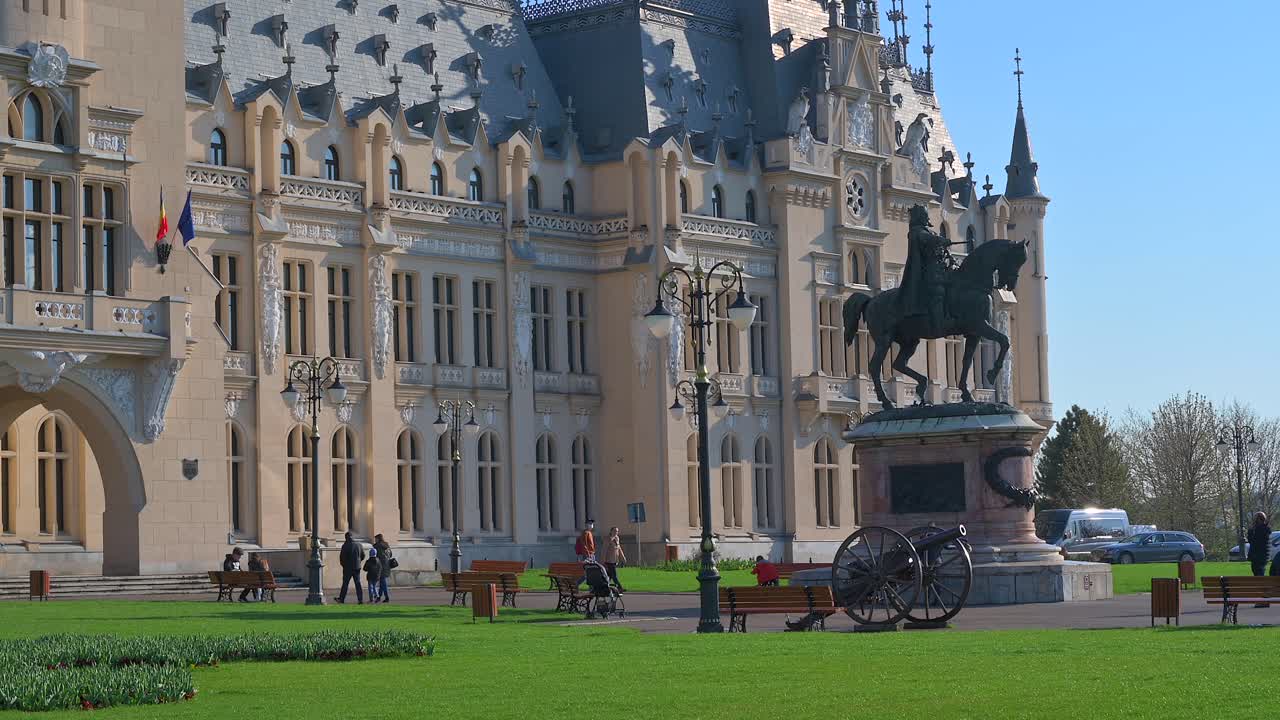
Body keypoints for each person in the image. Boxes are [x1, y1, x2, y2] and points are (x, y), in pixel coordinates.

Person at [1247, 512, 1272, 608]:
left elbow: (1253, 540)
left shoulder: (1261, 529)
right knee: (1258, 576)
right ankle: (1262, 598)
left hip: (1259, 557)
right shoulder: (1265, 529)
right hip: (1260, 556)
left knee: (1259, 577)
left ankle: (1263, 599)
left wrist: (1251, 530)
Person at [337, 531, 366, 605]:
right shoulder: (359, 545)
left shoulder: (345, 545)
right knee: (358, 583)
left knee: (345, 584)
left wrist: (344, 565)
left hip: (347, 568)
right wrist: (358, 562)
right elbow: (363, 555)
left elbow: (342, 558)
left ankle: (341, 599)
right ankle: (360, 599)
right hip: (357, 567)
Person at [603, 526, 627, 592]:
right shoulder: (608, 539)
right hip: (609, 561)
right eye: (614, 531)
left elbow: (619, 548)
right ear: (611, 531)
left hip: (615, 560)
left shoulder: (617, 538)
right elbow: (604, 551)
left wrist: (623, 557)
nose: (616, 532)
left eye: (617, 531)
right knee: (614, 576)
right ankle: (620, 588)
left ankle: (604, 587)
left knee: (609, 576)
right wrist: (603, 561)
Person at [373, 533, 393, 604]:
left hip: (380, 566)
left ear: (378, 539)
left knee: (383, 582)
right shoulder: (386, 545)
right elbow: (390, 554)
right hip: (387, 565)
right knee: (382, 582)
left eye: (375, 539)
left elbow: (375, 556)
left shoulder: (376, 546)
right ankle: (379, 597)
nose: (375, 540)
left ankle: (387, 597)